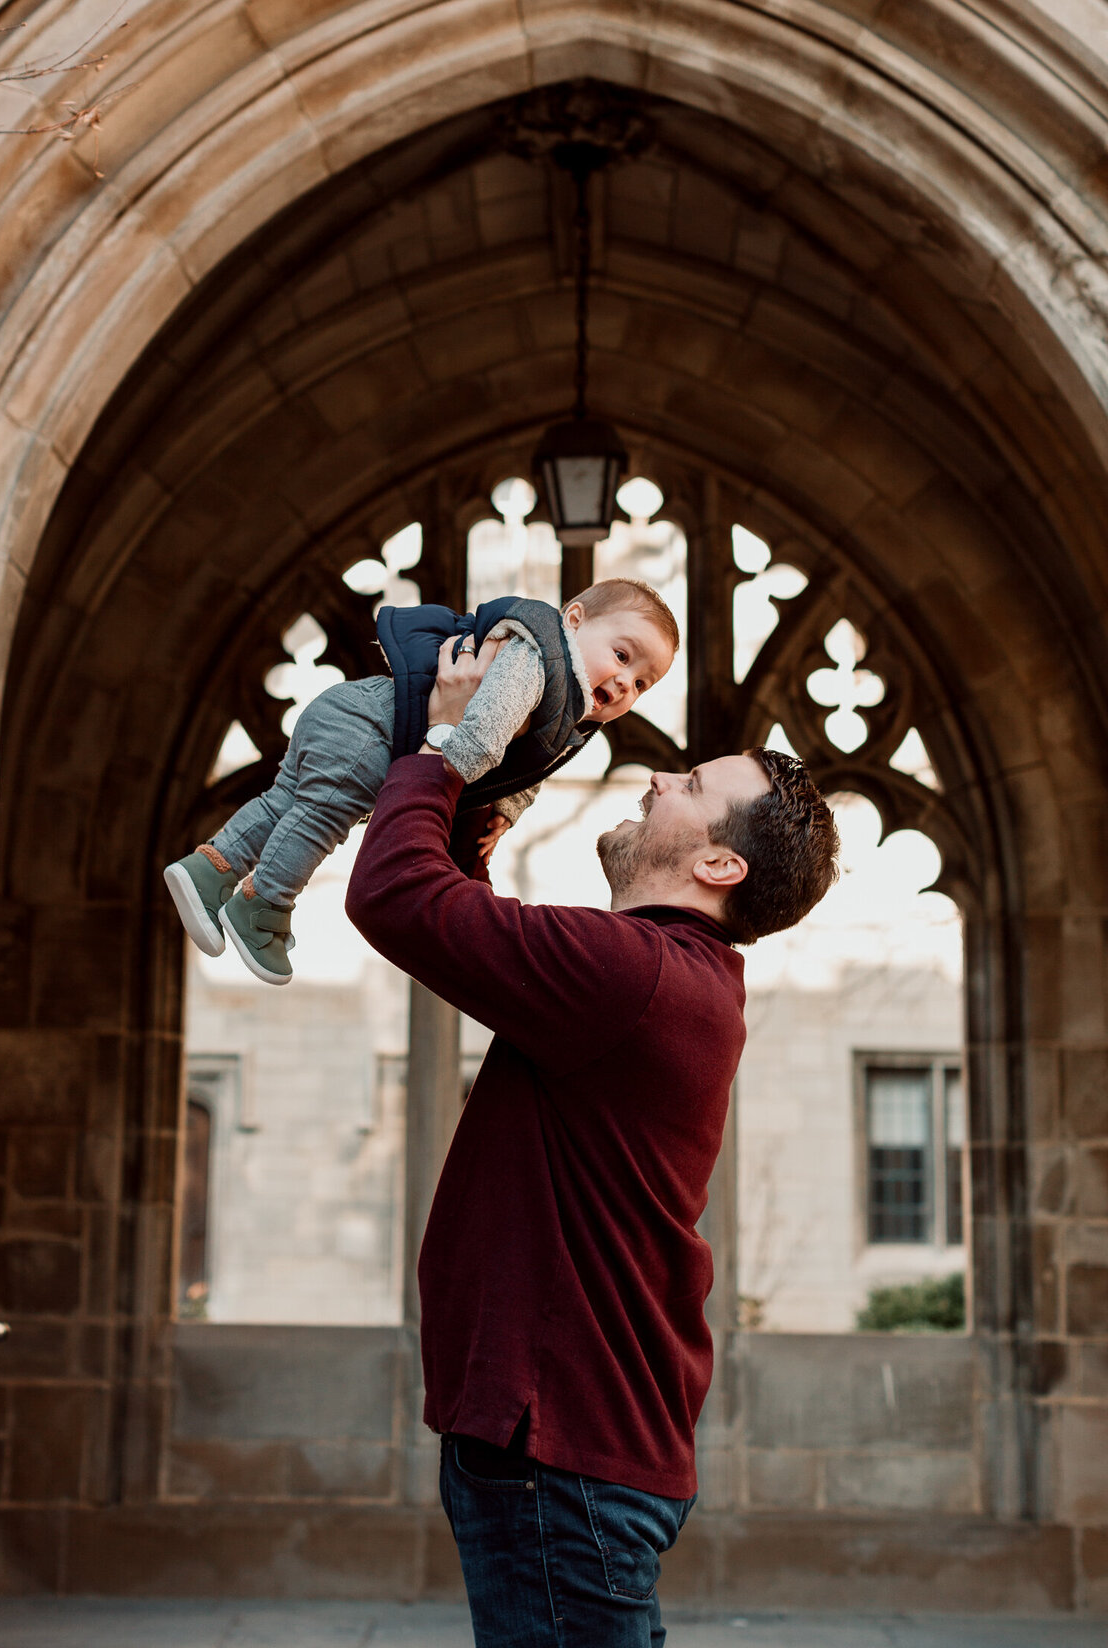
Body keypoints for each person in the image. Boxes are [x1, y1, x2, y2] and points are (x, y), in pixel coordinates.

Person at [344, 637, 841, 1648]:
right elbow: (471, 918)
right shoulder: (657, 978)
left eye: (689, 785)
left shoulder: (635, 976)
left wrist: (447, 743)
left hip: (559, 1457)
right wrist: (479, 811)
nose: (656, 777)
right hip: (569, 1453)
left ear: (718, 861)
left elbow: (394, 897)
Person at [163, 578, 677, 984]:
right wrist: (454, 773)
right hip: (369, 731)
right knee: (322, 818)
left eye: (640, 684)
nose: (623, 683)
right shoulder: (538, 650)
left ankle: (209, 869)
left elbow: (532, 765)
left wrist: (507, 809)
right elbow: (489, 727)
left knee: (285, 804)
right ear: (574, 619)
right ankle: (264, 904)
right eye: (622, 655)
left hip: (348, 713)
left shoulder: (570, 710)